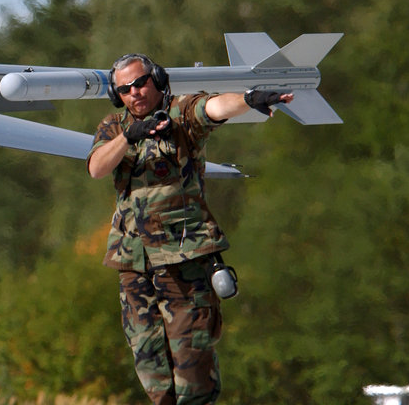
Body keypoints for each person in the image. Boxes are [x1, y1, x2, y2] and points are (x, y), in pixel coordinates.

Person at [86, 53, 292, 405]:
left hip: (184, 259)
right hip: (134, 264)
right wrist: (130, 137)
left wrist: (246, 99)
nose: (135, 92)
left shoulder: (180, 113)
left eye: (141, 83)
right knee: (151, 367)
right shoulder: (114, 126)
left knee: (192, 368)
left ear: (157, 80)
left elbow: (213, 108)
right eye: (124, 89)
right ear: (117, 95)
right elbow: (96, 167)